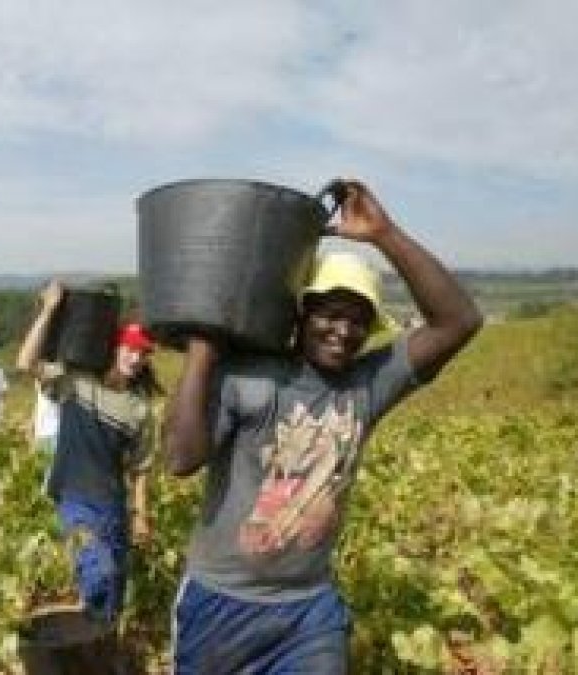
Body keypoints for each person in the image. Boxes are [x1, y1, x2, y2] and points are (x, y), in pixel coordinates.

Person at [162, 179, 482, 673]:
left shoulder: (368, 386)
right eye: (330, 313)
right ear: (301, 316)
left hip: (308, 611)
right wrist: (203, 352)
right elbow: (181, 460)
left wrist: (384, 233)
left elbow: (458, 321)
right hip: (221, 605)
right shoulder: (251, 378)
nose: (344, 330)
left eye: (358, 320)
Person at [16, 281, 159, 625]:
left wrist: (140, 515)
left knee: (114, 595)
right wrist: (49, 309)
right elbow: (25, 362)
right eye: (130, 349)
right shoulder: (76, 383)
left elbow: (140, 468)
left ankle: (99, 653)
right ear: (114, 348)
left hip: (113, 506)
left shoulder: (139, 410)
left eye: (142, 353)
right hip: (75, 499)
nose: (136, 358)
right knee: (99, 574)